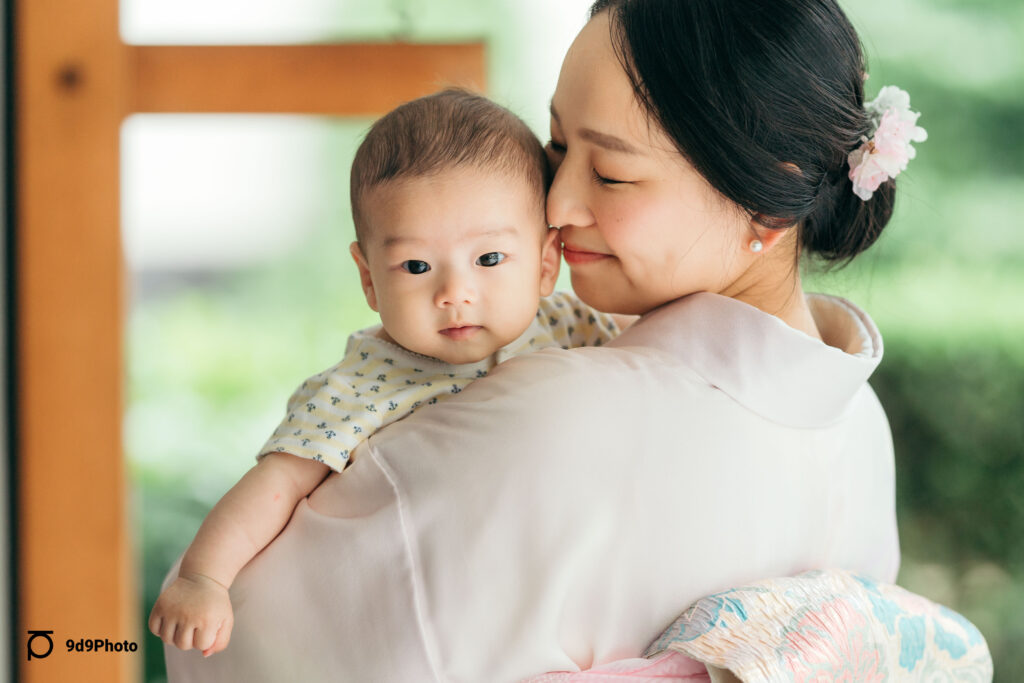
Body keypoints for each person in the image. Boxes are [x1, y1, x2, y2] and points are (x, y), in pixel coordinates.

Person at [162, 0, 925, 680]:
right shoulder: (862, 428)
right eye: (556, 149)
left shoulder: (547, 413)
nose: (555, 204)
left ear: (765, 204)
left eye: (613, 175)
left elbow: (241, 641)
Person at [149, 88, 623, 658]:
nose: (454, 294)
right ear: (370, 278)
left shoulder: (572, 325)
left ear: (546, 262)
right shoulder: (361, 385)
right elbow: (275, 485)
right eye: (417, 266)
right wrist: (204, 579)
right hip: (440, 608)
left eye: (490, 260)